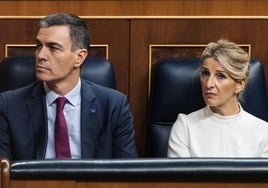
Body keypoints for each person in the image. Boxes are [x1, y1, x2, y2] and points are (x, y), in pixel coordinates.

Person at [0, 13, 138, 160]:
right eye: (39, 46)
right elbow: (3, 171)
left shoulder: (114, 105)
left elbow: (127, 172)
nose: (40, 55)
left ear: (79, 57)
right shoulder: (9, 105)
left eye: (53, 48)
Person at [168, 38, 268, 158]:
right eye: (205, 73)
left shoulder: (263, 132)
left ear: (239, 84)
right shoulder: (185, 126)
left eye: (220, 76)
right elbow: (180, 176)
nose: (209, 84)